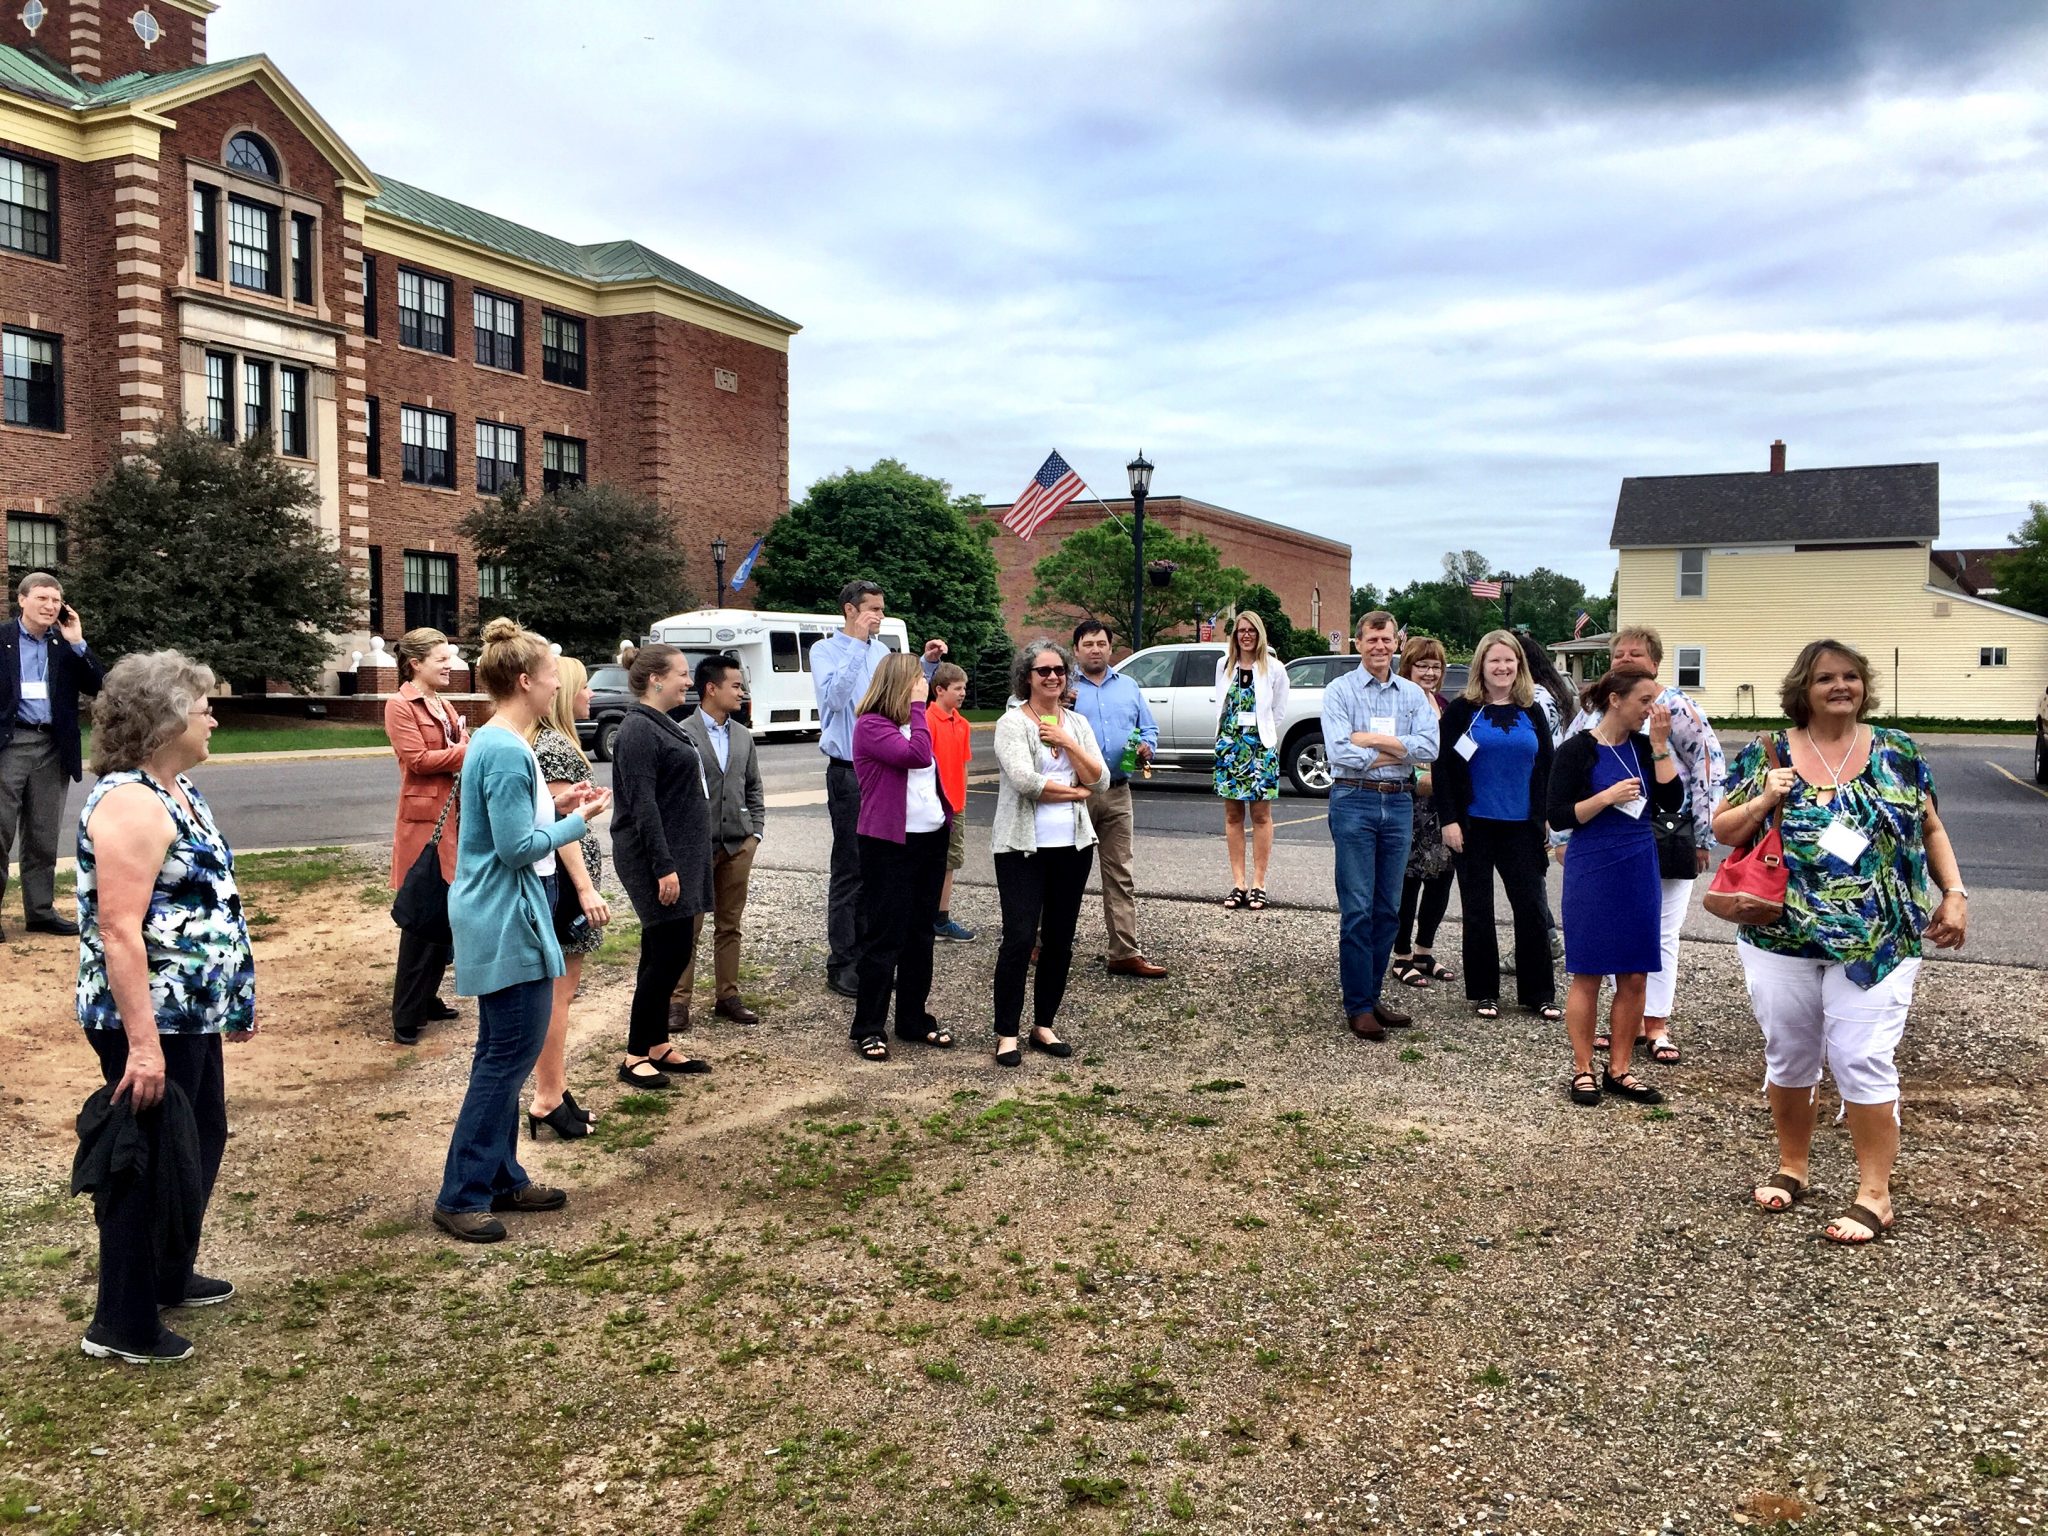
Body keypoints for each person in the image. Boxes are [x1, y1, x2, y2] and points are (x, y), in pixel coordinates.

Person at [1714, 639, 1967, 1245]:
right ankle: (1793, 1165)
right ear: (1804, 688)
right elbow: (1723, 828)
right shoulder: (1768, 751)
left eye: (1851, 676)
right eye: (1826, 677)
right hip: (1780, 935)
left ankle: (1874, 1194)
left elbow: (1929, 825)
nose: (1841, 686)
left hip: (1879, 939)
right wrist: (1767, 797)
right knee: (1790, 1055)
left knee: (1860, 1058)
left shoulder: (1898, 750)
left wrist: (1954, 893)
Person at [72, 651, 252, 1362]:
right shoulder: (129, 803)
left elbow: (208, 907)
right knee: (144, 1162)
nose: (212, 715)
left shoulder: (177, 789)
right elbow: (119, 930)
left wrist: (231, 997)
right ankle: (121, 1321)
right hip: (144, 1020)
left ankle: (168, 1273)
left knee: (199, 1138)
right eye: (201, 703)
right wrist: (143, 1047)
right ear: (163, 717)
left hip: (192, 1012)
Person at [433, 620, 609, 1242]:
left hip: (503, 911)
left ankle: (502, 1177)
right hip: (507, 913)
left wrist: (556, 806)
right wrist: (577, 822)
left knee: (501, 1056)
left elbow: (504, 824)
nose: (560, 680)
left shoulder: (497, 739)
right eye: (553, 671)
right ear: (526, 680)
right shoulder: (507, 748)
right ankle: (461, 1194)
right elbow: (513, 849)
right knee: (505, 1059)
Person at [1565, 625, 1725, 1063]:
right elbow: (1564, 781)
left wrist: (1703, 832)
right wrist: (1560, 837)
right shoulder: (1590, 715)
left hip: (1667, 836)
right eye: (1619, 654)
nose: (1626, 660)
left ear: (1655, 664)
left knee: (1660, 935)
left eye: (1636, 654)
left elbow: (1708, 764)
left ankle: (1656, 1022)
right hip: (1602, 843)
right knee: (1614, 940)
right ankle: (1625, 1025)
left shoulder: (1676, 707)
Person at [1547, 667, 1682, 1107]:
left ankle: (1620, 1069)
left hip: (1638, 863)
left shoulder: (1646, 748)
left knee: (1636, 972)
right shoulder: (1577, 750)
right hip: (1593, 864)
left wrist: (1661, 747)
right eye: (1644, 701)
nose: (1651, 710)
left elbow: (1672, 801)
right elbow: (1559, 816)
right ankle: (1583, 1068)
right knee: (1588, 971)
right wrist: (1605, 797)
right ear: (1616, 700)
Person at [811, 580, 947, 996]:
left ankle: (873, 953)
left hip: (886, 769)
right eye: (872, 609)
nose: (879, 615)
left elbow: (899, 702)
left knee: (879, 866)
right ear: (850, 610)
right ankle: (843, 960)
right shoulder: (825, 651)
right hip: (849, 771)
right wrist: (855, 643)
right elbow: (834, 701)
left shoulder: (882, 652)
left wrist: (923, 667)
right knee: (850, 867)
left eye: (882, 609)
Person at [1321, 611, 1439, 1040]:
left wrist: (1368, 739)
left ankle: (1371, 997)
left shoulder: (1411, 694)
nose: (1379, 647)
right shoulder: (1339, 690)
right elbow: (1338, 752)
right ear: (1357, 643)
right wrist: (1400, 751)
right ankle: (1357, 1005)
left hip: (1400, 804)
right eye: (1371, 639)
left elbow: (1430, 747)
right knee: (1357, 909)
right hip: (1353, 799)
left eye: (1386, 640)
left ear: (1396, 644)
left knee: (1388, 909)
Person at [1432, 631, 1560, 1023]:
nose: (1502, 668)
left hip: (1522, 827)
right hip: (1474, 826)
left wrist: (1548, 820)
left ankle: (1538, 992)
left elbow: (1547, 769)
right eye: (1494, 661)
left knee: (1532, 910)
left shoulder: (1531, 711)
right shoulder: (1461, 712)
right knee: (1478, 911)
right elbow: (1444, 769)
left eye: (1510, 661)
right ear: (1481, 667)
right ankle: (1485, 991)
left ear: (1519, 665)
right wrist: (1449, 819)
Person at [990, 641, 1107, 1067]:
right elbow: (1025, 781)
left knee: (1059, 940)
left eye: (1059, 670)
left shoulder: (1075, 723)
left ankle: (1043, 1025)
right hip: (1022, 848)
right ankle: (1006, 1033)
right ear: (1027, 677)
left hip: (1072, 848)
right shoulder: (1010, 723)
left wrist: (1066, 742)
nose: (1053, 677)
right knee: (1019, 939)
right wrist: (1076, 791)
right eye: (1044, 671)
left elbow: (1103, 777)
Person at [610, 644, 716, 1086]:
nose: (689, 682)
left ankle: (656, 1044)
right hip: (657, 858)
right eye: (682, 674)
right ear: (656, 679)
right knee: (669, 952)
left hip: (678, 855)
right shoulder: (637, 729)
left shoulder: (660, 724)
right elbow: (643, 807)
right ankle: (635, 1055)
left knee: (664, 950)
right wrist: (663, 866)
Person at [848, 653, 957, 1060]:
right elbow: (915, 757)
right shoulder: (872, 725)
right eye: (918, 680)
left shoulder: (916, 724)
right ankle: (868, 1026)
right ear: (900, 683)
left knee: (920, 933)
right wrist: (916, 708)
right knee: (884, 935)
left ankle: (913, 1019)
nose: (924, 686)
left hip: (929, 839)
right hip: (889, 844)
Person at [526, 656, 609, 1139]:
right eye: (582, 687)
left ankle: (555, 1088)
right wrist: (586, 888)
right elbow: (564, 832)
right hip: (563, 880)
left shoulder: (552, 741)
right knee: (559, 995)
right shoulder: (554, 745)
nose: (589, 695)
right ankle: (547, 1097)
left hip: (558, 878)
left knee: (559, 994)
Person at [2, 572, 104, 938]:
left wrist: (78, 642)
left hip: (52, 747)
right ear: (22, 600)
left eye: (56, 600)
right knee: (0, 832)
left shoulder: (64, 645)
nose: (50, 606)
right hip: (10, 744)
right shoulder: (3, 640)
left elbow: (99, 686)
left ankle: (40, 912)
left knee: (43, 835)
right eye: (42, 598)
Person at [383, 627, 468, 1046]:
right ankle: (406, 1012)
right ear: (416, 664)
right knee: (421, 914)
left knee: (443, 912)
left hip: (453, 817)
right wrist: (470, 751)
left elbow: (453, 747)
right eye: (441, 659)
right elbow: (417, 760)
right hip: (424, 824)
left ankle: (428, 997)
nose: (449, 665)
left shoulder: (443, 703)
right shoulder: (399, 705)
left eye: (449, 657)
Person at [1070, 619, 1167, 976]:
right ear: (1076, 649)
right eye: (1088, 644)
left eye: (1101, 643)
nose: (1095, 649)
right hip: (1074, 793)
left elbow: (1150, 727)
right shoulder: (1063, 686)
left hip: (1117, 792)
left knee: (1119, 875)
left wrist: (1147, 746)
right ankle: (1044, 943)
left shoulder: (1128, 686)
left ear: (1111, 648)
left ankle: (1124, 952)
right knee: (1064, 874)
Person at [679, 653, 765, 1026]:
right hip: (696, 849)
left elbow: (754, 789)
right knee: (688, 926)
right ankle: (677, 1002)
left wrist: (755, 833)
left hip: (737, 846)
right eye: (735, 686)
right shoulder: (682, 733)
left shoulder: (743, 735)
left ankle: (727, 996)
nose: (742, 693)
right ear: (710, 689)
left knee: (730, 924)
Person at [1210, 611, 1291, 910]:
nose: (1246, 635)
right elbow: (1222, 704)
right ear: (1234, 635)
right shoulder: (1224, 666)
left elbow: (1278, 710)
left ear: (1259, 634)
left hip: (1259, 749)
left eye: (1251, 631)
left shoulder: (1275, 669)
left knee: (1260, 816)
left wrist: (1262, 735)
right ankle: (1238, 882)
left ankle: (1258, 883)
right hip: (1229, 747)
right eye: (1240, 630)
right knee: (1233, 816)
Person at [1388, 636, 1457, 991]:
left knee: (1441, 878)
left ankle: (1423, 951)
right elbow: (1397, 750)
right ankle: (1400, 955)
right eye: (1423, 665)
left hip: (1443, 807)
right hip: (1410, 802)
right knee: (1408, 881)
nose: (1430, 672)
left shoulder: (1443, 704)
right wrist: (1427, 779)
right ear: (1407, 668)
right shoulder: (1400, 703)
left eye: (1436, 666)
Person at [926, 661, 977, 943]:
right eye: (957, 688)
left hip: (955, 805)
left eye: (964, 688)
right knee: (929, 862)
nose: (962, 693)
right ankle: (926, 915)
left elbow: (964, 764)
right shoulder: (927, 721)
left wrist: (962, 798)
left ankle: (940, 919)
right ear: (939, 690)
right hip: (933, 805)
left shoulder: (963, 724)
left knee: (950, 862)